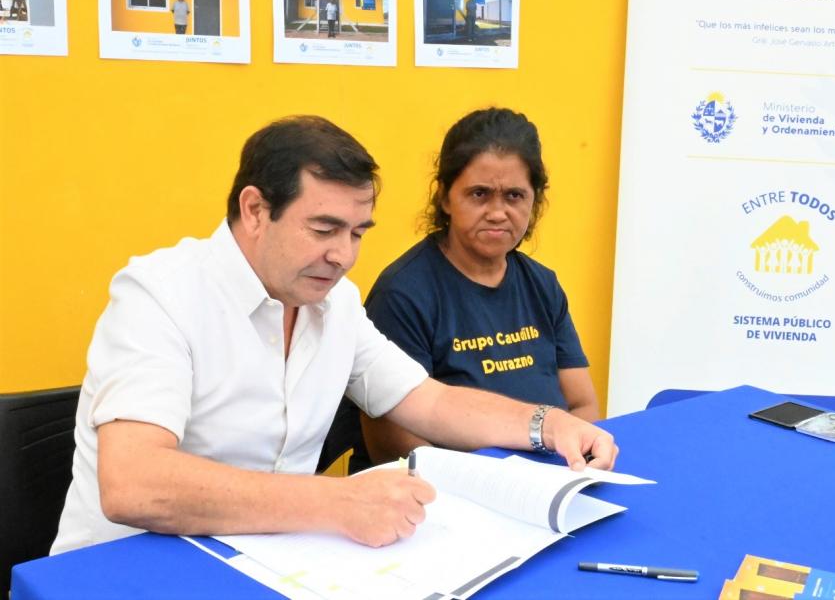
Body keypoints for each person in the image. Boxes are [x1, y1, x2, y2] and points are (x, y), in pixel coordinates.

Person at [51, 115, 617, 555]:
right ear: (254, 209)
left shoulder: (334, 302)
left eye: (357, 233)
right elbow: (134, 483)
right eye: (323, 229)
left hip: (270, 559)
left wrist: (546, 424)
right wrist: (335, 501)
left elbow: (429, 401)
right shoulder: (159, 295)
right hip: (129, 567)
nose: (343, 256)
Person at [350, 107, 601, 471]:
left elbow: (583, 406)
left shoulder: (543, 285)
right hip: (451, 496)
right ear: (445, 197)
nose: (498, 212)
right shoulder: (403, 293)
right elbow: (393, 445)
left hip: (549, 479)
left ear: (535, 200)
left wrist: (571, 467)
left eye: (514, 196)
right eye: (479, 194)